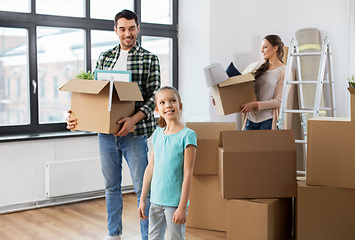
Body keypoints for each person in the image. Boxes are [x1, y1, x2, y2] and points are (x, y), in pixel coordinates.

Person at [66, 9, 161, 240]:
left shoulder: (149, 58)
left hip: (135, 134)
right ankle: (114, 234)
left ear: (138, 28)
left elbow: (155, 96)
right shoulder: (105, 57)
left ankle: (146, 236)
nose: (127, 33)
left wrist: (133, 120)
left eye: (131, 28)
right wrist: (76, 114)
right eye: (122, 28)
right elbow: (96, 95)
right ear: (115, 30)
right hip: (106, 135)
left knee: (142, 189)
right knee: (111, 186)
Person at [138, 86, 197, 240]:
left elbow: (188, 174)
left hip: (175, 203)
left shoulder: (188, 135)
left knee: (176, 237)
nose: (168, 105)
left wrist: (182, 207)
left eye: (172, 100)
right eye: (163, 102)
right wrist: (143, 199)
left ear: (180, 106)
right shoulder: (157, 134)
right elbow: (150, 168)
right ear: (157, 109)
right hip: (156, 199)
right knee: (154, 237)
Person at [240, 34, 286, 130]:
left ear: (275, 48)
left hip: (267, 120)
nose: (262, 51)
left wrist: (254, 105)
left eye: (265, 47)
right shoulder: (260, 70)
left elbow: (279, 102)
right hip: (251, 119)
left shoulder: (283, 71)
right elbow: (246, 92)